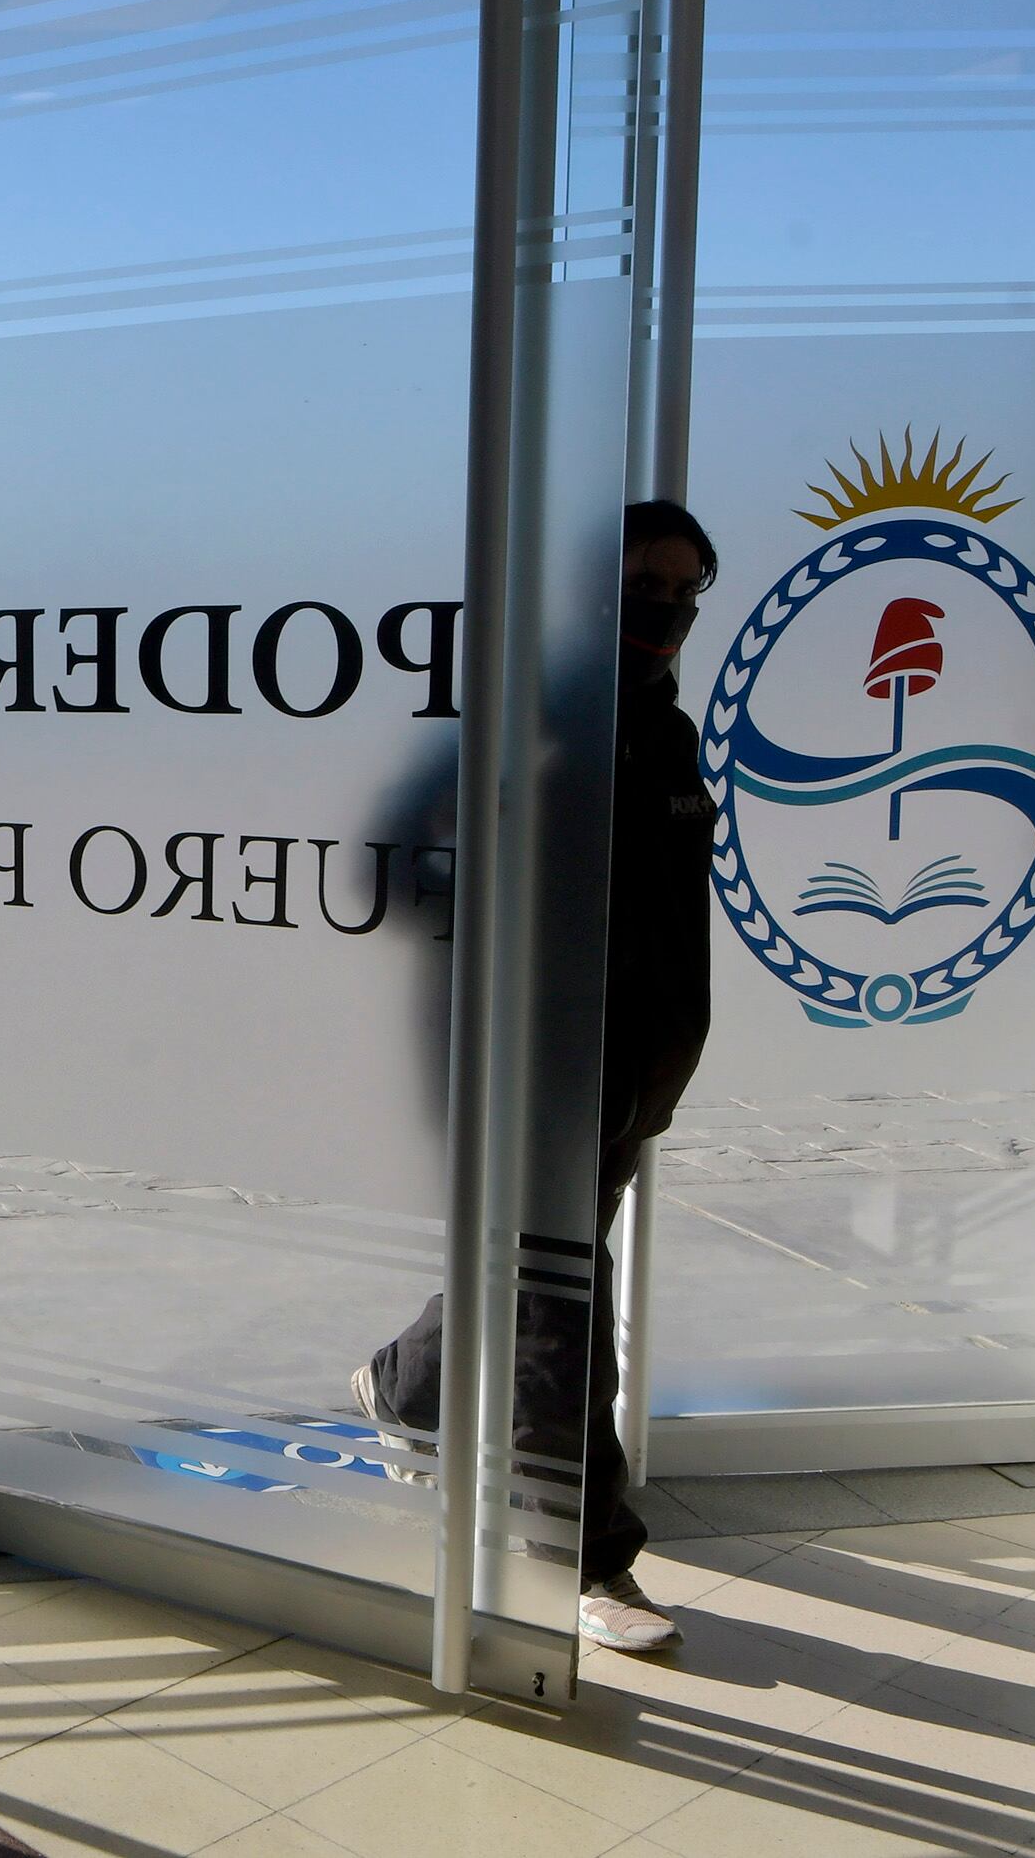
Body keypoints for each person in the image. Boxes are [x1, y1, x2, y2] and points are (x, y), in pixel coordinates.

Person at [350, 499, 720, 1654]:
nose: (663, 606)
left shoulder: (666, 733)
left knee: (528, 1277)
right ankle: (586, 1559)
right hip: (531, 1077)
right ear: (592, 590)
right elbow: (398, 850)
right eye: (643, 583)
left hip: (627, 1085)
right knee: (567, 1312)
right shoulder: (528, 716)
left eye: (683, 587)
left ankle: (405, 1385)